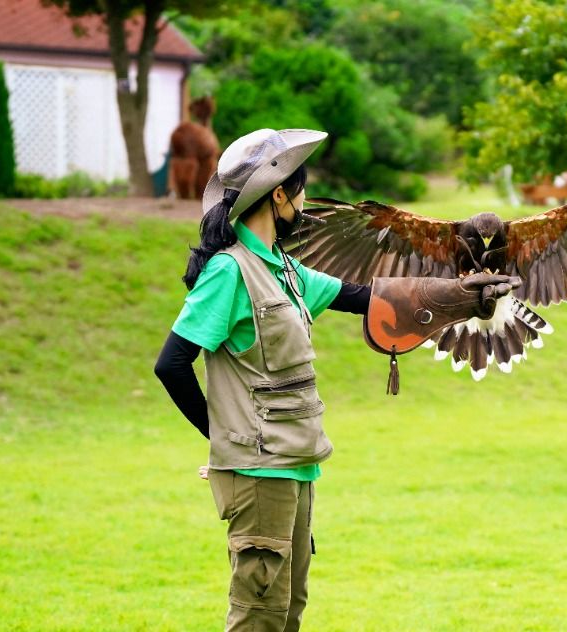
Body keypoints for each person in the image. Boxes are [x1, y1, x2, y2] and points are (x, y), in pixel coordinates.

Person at [154, 128, 519, 631]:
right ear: (279, 194)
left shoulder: (285, 269)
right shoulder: (230, 272)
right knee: (258, 617)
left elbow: (368, 297)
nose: (304, 203)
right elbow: (171, 364)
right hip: (259, 473)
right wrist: (221, 439)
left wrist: (465, 296)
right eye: (300, 191)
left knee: (288, 613)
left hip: (298, 465)